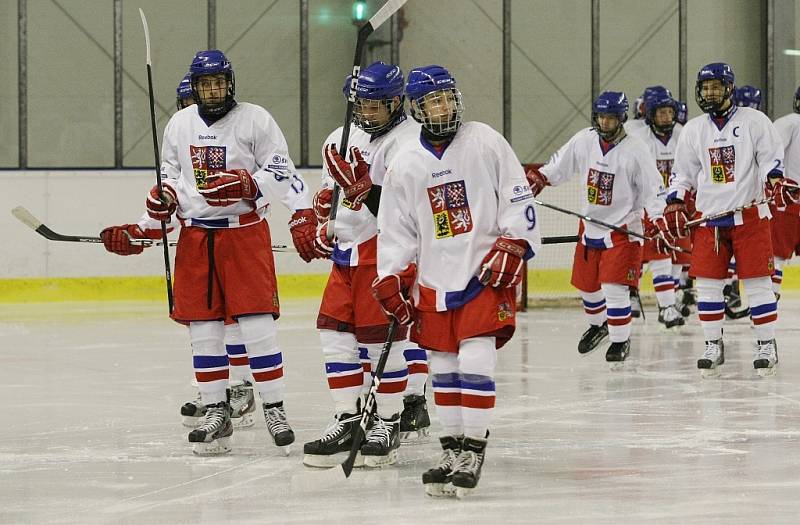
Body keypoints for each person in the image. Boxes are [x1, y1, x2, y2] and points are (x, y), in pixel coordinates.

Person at [107, 49, 320, 455]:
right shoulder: (179, 124)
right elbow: (169, 175)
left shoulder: (255, 118)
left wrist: (248, 186)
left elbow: (281, 170)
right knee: (204, 330)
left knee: (257, 325)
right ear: (196, 86)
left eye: (219, 82)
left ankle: (274, 407)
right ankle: (215, 410)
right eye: (205, 83)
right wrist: (157, 206)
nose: (213, 89)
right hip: (196, 237)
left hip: (244, 234)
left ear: (230, 82)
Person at [375, 65, 541, 498]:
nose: (443, 106)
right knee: (443, 367)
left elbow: (516, 193)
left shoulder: (484, 140)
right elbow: (396, 229)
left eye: (447, 97)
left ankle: (474, 449)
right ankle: (450, 449)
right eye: (432, 100)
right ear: (417, 108)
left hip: (482, 273)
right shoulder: (406, 161)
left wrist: (515, 242)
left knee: (475, 359)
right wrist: (390, 275)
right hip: (433, 281)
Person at [101, 73, 261, 432]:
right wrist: (138, 233)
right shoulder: (181, 140)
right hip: (200, 241)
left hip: (235, 240)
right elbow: (169, 206)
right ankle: (216, 392)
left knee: (235, 319)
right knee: (205, 323)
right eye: (187, 104)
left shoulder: (230, 136)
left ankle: (240, 388)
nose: (193, 111)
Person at [302, 61, 427, 470]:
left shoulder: (411, 141)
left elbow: (404, 208)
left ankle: (387, 420)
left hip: (384, 250)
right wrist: (325, 218)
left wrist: (365, 190)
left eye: (376, 106)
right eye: (362, 104)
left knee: (379, 341)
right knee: (334, 335)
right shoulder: (342, 136)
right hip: (347, 253)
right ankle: (348, 417)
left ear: (396, 102)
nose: (367, 112)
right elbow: (329, 193)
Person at [659, 62, 794, 377]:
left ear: (729, 88)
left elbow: (771, 159)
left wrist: (775, 180)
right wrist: (675, 201)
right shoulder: (694, 129)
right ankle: (712, 343)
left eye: (716, 86)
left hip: (750, 216)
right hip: (710, 221)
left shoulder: (754, 121)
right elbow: (683, 174)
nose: (710, 92)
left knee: (759, 283)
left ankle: (765, 343)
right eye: (706, 87)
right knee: (707, 285)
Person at [529, 91, 666, 364]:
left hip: (623, 228)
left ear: (622, 118)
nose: (605, 123)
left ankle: (619, 339)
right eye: (601, 117)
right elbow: (560, 165)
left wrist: (658, 219)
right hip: (590, 226)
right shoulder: (584, 140)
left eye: (611, 118)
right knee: (587, 286)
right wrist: (540, 178)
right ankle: (599, 325)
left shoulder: (636, 149)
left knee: (614, 288)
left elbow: (654, 189)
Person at [632, 92, 686, 329]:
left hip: (674, 204)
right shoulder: (636, 136)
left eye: (670, 111)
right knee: (644, 255)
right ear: (650, 114)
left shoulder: (682, 134)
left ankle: (667, 303)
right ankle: (642, 299)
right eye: (661, 112)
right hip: (645, 205)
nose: (666, 117)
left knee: (671, 253)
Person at [768, 86, 800, 300]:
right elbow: (772, 156)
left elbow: (771, 155)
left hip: (790, 198)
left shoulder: (789, 122)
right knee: (777, 254)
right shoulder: (791, 123)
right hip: (788, 198)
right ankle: (768, 298)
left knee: (777, 254)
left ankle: (768, 299)